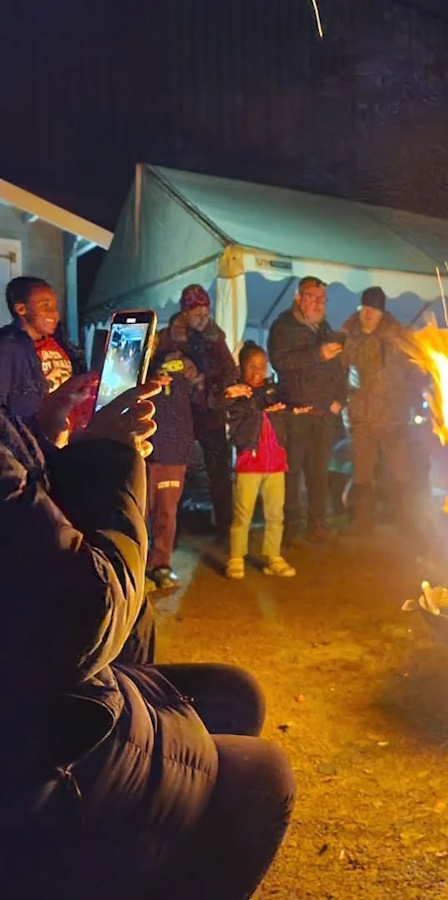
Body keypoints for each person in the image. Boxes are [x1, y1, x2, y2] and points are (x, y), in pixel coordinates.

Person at [0, 378, 295, 899]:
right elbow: (86, 615)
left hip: (59, 690)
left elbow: (23, 521)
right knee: (262, 776)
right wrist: (115, 459)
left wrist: (42, 443)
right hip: (37, 748)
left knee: (234, 694)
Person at [268, 275, 346, 543]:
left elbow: (339, 369)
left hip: (323, 415)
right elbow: (280, 361)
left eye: (323, 299)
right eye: (313, 297)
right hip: (295, 414)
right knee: (291, 474)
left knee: (319, 474)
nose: (319, 303)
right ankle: (290, 528)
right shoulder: (284, 328)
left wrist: (340, 400)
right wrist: (317, 354)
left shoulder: (325, 329)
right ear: (299, 299)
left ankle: (317, 524)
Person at [341, 286, 416, 535]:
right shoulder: (347, 337)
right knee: (362, 474)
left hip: (392, 418)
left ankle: (406, 523)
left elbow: (417, 368)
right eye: (366, 309)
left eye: (375, 310)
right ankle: (363, 523)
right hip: (361, 418)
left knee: (401, 473)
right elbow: (338, 375)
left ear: (382, 312)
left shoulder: (397, 338)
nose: (369, 314)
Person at [224, 342, 296, 579]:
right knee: (242, 514)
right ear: (242, 368)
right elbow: (243, 416)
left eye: (262, 366)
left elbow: (284, 413)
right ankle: (236, 557)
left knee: (276, 513)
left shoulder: (273, 392)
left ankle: (273, 556)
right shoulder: (237, 395)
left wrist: (290, 410)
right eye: (252, 366)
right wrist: (262, 406)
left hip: (276, 463)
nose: (258, 371)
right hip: (249, 464)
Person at [145, 312, 202, 591]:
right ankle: (137, 566)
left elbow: (201, 400)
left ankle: (161, 564)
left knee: (167, 513)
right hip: (141, 451)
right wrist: (151, 380)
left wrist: (195, 377)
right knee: (138, 512)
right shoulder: (138, 368)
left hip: (172, 453)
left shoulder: (184, 366)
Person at [180, 284, 238, 543]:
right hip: (183, 416)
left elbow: (231, 371)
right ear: (185, 313)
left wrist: (208, 380)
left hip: (211, 413)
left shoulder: (217, 338)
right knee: (179, 472)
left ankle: (225, 528)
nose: (203, 318)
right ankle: (175, 530)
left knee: (219, 474)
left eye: (206, 313)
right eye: (197, 313)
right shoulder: (173, 337)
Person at [0, 276, 93, 428]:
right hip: (39, 441)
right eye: (45, 306)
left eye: (55, 307)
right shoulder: (7, 348)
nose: (54, 313)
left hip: (69, 437)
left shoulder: (61, 342)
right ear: (21, 309)